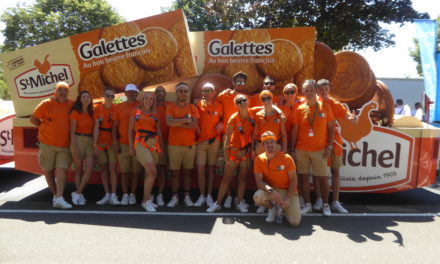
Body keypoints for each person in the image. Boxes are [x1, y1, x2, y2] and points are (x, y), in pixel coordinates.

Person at [291, 80, 335, 216]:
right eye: (306, 90)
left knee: (322, 178)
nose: (309, 93)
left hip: (320, 150)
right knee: (303, 178)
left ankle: (326, 205)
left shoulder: (325, 107)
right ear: (303, 92)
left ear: (316, 90)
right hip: (301, 150)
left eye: (311, 90)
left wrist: (329, 145)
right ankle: (308, 204)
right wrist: (292, 149)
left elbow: (332, 127)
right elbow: (295, 130)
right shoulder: (299, 109)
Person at [30, 81, 74, 209]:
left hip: (64, 146)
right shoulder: (47, 103)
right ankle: (56, 196)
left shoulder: (71, 105)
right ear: (55, 91)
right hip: (46, 144)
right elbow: (33, 119)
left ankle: (59, 197)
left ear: (68, 92)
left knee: (62, 171)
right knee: (48, 171)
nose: (62, 92)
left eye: (65, 89)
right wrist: (44, 128)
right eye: (60, 89)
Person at [207, 94, 254, 213]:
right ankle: (217, 203)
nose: (242, 102)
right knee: (226, 178)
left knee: (242, 178)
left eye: (244, 100)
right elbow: (227, 138)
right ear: (236, 105)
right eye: (239, 101)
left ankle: (239, 202)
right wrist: (226, 155)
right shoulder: (233, 118)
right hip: (234, 152)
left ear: (247, 101)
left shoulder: (253, 115)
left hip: (246, 153)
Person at [317, 79, 357, 214]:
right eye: (321, 89)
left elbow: (347, 115)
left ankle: (335, 202)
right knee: (319, 174)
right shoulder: (313, 103)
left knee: (335, 172)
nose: (323, 92)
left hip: (335, 143)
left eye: (326, 89)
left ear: (329, 89)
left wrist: (352, 118)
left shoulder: (334, 104)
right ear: (317, 90)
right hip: (319, 143)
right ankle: (319, 200)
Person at [253, 131, 301, 227]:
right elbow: (259, 182)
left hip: (288, 192)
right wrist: (271, 191)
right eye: (266, 143)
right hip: (273, 190)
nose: (269, 145)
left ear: (276, 144)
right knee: (257, 198)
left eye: (272, 142)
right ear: (263, 145)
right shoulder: (258, 159)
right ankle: (272, 208)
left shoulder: (286, 158)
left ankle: (285, 207)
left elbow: (294, 180)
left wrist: (287, 198)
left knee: (294, 222)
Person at [216, 71, 248, 208]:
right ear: (233, 83)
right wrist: (219, 121)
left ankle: (238, 200)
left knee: (242, 174)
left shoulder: (247, 98)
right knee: (227, 172)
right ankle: (228, 197)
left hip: (243, 140)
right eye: (238, 82)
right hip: (227, 137)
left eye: (243, 82)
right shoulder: (225, 95)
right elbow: (213, 103)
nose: (240, 84)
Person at [166, 82, 200, 207]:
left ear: (188, 93)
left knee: (187, 173)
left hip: (189, 145)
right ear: (176, 93)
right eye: (181, 91)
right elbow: (169, 122)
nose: (183, 93)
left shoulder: (192, 108)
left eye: (185, 91)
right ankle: (174, 197)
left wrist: (177, 122)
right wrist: (186, 120)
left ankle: (187, 196)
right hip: (174, 145)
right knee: (174, 173)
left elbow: (195, 125)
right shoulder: (170, 107)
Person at [128, 91, 163, 212]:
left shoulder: (155, 114)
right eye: (146, 98)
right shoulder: (136, 112)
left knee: (150, 173)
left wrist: (161, 147)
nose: (148, 100)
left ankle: (148, 199)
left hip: (154, 144)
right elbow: (130, 131)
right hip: (141, 143)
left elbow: (159, 131)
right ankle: (145, 200)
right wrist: (131, 147)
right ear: (142, 100)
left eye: (151, 99)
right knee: (152, 171)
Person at [194, 83, 223, 207]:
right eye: (205, 91)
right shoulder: (197, 104)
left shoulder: (220, 106)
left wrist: (221, 122)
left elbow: (225, 119)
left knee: (211, 169)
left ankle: (210, 195)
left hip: (214, 141)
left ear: (214, 92)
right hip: (201, 141)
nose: (207, 93)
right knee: (200, 169)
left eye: (209, 91)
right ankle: (202, 195)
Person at [112, 84, 141, 205]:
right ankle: (125, 195)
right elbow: (114, 127)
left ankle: (132, 195)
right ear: (125, 93)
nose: (132, 94)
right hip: (123, 143)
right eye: (129, 92)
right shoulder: (118, 107)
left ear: (137, 93)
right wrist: (115, 142)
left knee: (136, 171)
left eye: (134, 92)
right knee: (124, 172)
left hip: (139, 144)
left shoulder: (142, 105)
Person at [94, 87, 120, 205]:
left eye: (112, 96)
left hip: (111, 141)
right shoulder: (97, 109)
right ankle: (107, 194)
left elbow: (114, 127)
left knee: (113, 169)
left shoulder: (115, 109)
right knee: (103, 168)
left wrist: (115, 143)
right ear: (103, 96)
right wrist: (94, 144)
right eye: (108, 96)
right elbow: (95, 128)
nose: (110, 98)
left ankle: (114, 195)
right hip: (100, 142)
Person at [69, 90, 95, 206]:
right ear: (80, 99)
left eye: (88, 97)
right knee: (79, 169)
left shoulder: (91, 113)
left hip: (89, 142)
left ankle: (78, 193)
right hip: (78, 140)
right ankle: (79, 195)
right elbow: (72, 131)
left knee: (89, 169)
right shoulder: (75, 113)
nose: (86, 98)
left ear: (90, 99)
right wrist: (74, 146)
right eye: (83, 97)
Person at [252, 90, 287, 156]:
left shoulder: (279, 115)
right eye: (263, 99)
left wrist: (285, 149)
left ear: (272, 99)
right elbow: (254, 134)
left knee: (275, 165)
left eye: (268, 98)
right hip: (261, 146)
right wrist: (252, 149)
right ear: (261, 101)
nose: (266, 101)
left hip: (275, 145)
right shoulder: (258, 115)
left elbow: (283, 133)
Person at [154, 86, 169, 206]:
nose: (159, 93)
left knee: (162, 169)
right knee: (152, 169)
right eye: (157, 91)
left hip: (166, 141)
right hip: (152, 141)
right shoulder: (150, 107)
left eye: (161, 91)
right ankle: (150, 193)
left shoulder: (169, 106)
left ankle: (160, 194)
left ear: (165, 94)